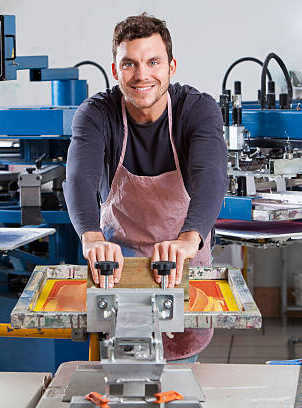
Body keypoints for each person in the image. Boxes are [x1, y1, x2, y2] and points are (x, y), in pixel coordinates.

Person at [63, 13, 228, 362]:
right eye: (130, 64)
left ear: (171, 65)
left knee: (179, 381)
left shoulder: (198, 111)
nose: (142, 75)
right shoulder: (96, 114)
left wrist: (188, 237)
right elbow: (80, 177)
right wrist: (91, 236)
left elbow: (211, 176)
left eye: (153, 62)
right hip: (118, 272)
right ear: (115, 69)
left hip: (184, 266)